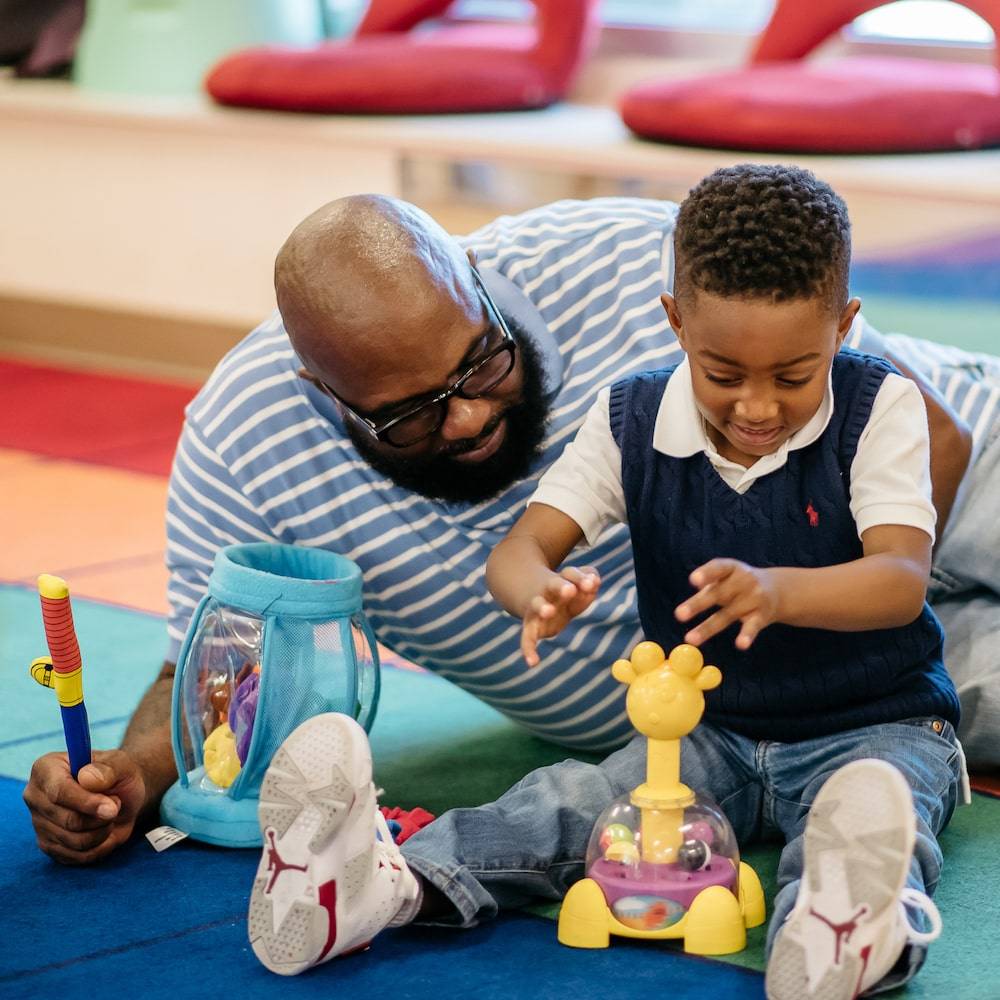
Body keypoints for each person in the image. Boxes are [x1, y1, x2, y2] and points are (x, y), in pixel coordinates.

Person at [23, 175, 999, 866]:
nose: (471, 416)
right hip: (786, 677)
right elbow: (216, 674)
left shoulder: (627, 264)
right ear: (324, 397)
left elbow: (936, 435)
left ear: (478, 282)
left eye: (480, 362)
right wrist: (126, 778)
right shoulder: (246, 446)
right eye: (410, 414)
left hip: (929, 514)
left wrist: (802, 591)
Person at [245, 166, 962, 1000]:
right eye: (723, 374)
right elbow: (516, 553)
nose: (758, 407)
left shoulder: (881, 409)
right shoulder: (631, 418)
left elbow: (901, 582)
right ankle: (376, 884)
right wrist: (537, 592)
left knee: (874, 814)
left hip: (880, 724)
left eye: (793, 377)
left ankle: (843, 927)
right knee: (572, 802)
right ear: (675, 322)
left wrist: (780, 592)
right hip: (708, 732)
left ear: (844, 328)